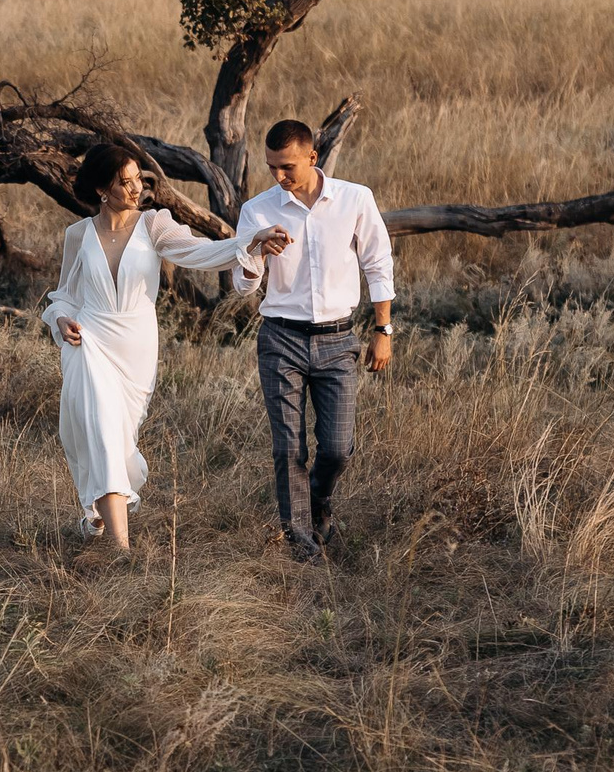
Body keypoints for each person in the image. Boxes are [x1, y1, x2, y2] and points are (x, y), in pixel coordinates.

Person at [43, 142, 285, 556]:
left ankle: (100, 511)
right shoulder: (78, 235)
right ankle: (122, 552)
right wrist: (61, 320)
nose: (136, 189)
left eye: (139, 179)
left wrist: (250, 241)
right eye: (125, 182)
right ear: (103, 188)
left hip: (135, 345)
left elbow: (201, 252)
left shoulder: (154, 224)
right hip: (91, 341)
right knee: (101, 429)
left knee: (120, 441)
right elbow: (63, 296)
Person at [228, 119, 395, 564]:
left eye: (287, 166)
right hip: (280, 338)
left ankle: (318, 500)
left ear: (312, 157)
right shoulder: (257, 210)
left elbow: (378, 263)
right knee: (289, 448)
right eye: (271, 167)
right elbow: (243, 286)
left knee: (338, 447)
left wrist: (383, 331)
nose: (278, 176)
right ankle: (302, 544)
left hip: (339, 339)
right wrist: (256, 252)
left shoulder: (355, 199)